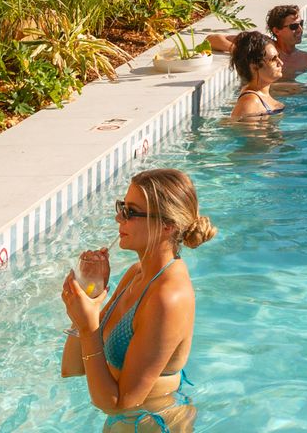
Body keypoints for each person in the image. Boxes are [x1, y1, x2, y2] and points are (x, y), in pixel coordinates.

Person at [62, 168, 216, 432]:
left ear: (167, 225)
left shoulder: (168, 298)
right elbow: (73, 368)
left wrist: (89, 328)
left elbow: (120, 404)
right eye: (122, 207)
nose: (118, 218)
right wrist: (90, 296)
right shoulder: (137, 274)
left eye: (130, 212)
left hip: (155, 425)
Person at [208, 4, 307, 81]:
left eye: (301, 24)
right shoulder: (264, 46)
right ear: (276, 30)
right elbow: (212, 39)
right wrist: (240, 51)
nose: (300, 30)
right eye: (294, 26)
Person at [229, 31, 287, 119]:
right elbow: (249, 132)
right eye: (273, 59)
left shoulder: (259, 96)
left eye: (279, 56)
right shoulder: (251, 102)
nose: (281, 63)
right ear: (254, 67)